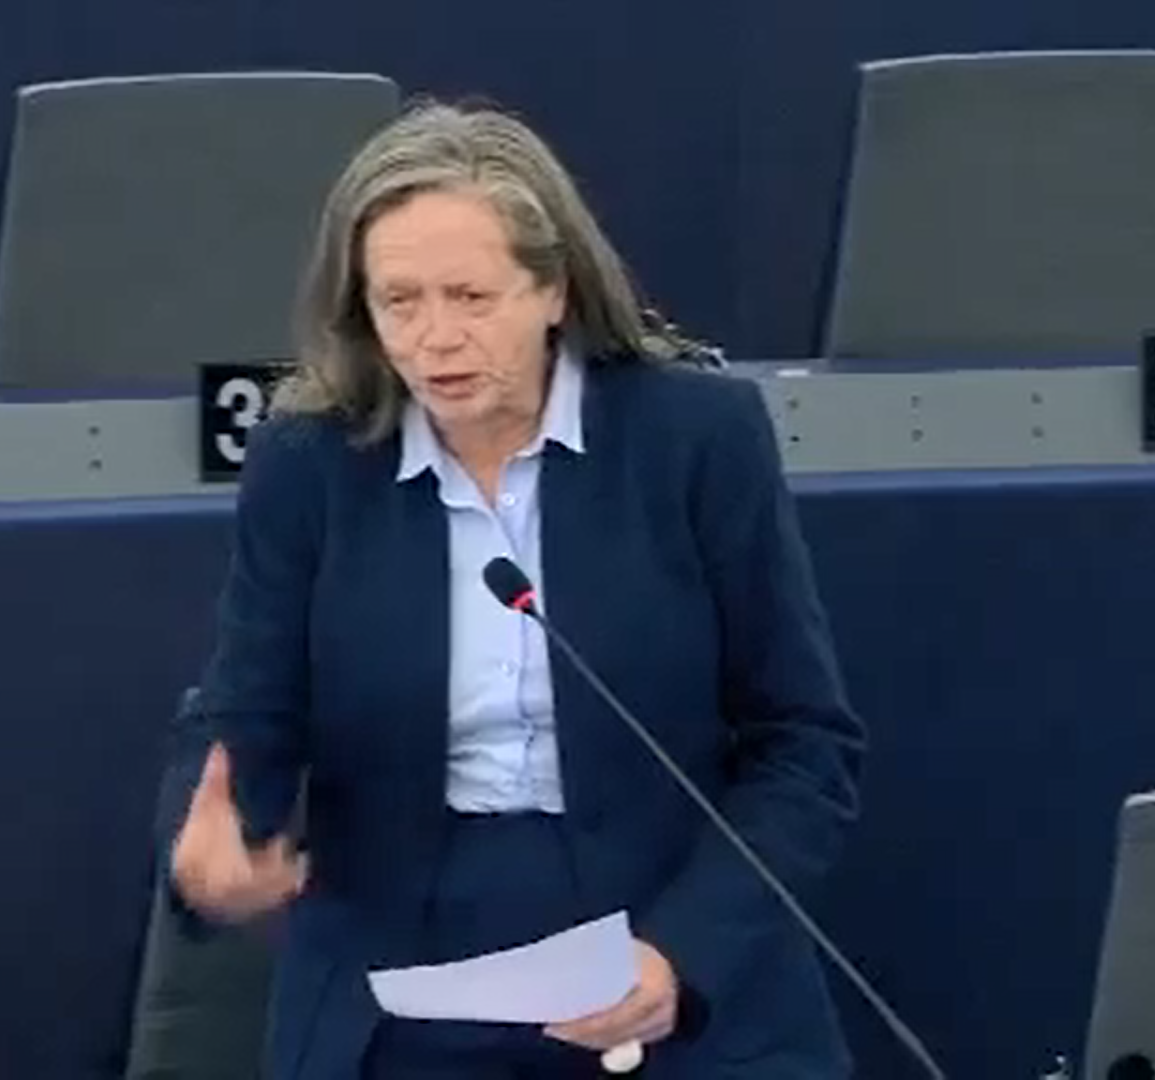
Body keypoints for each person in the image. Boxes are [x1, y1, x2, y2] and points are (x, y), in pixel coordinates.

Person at [166, 100, 866, 1079]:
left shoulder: (696, 438)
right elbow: (246, 719)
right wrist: (212, 856)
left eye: (470, 296)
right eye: (399, 301)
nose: (436, 339)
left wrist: (684, 951)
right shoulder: (310, 463)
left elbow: (802, 744)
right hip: (406, 972)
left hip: (678, 942)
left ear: (554, 290)